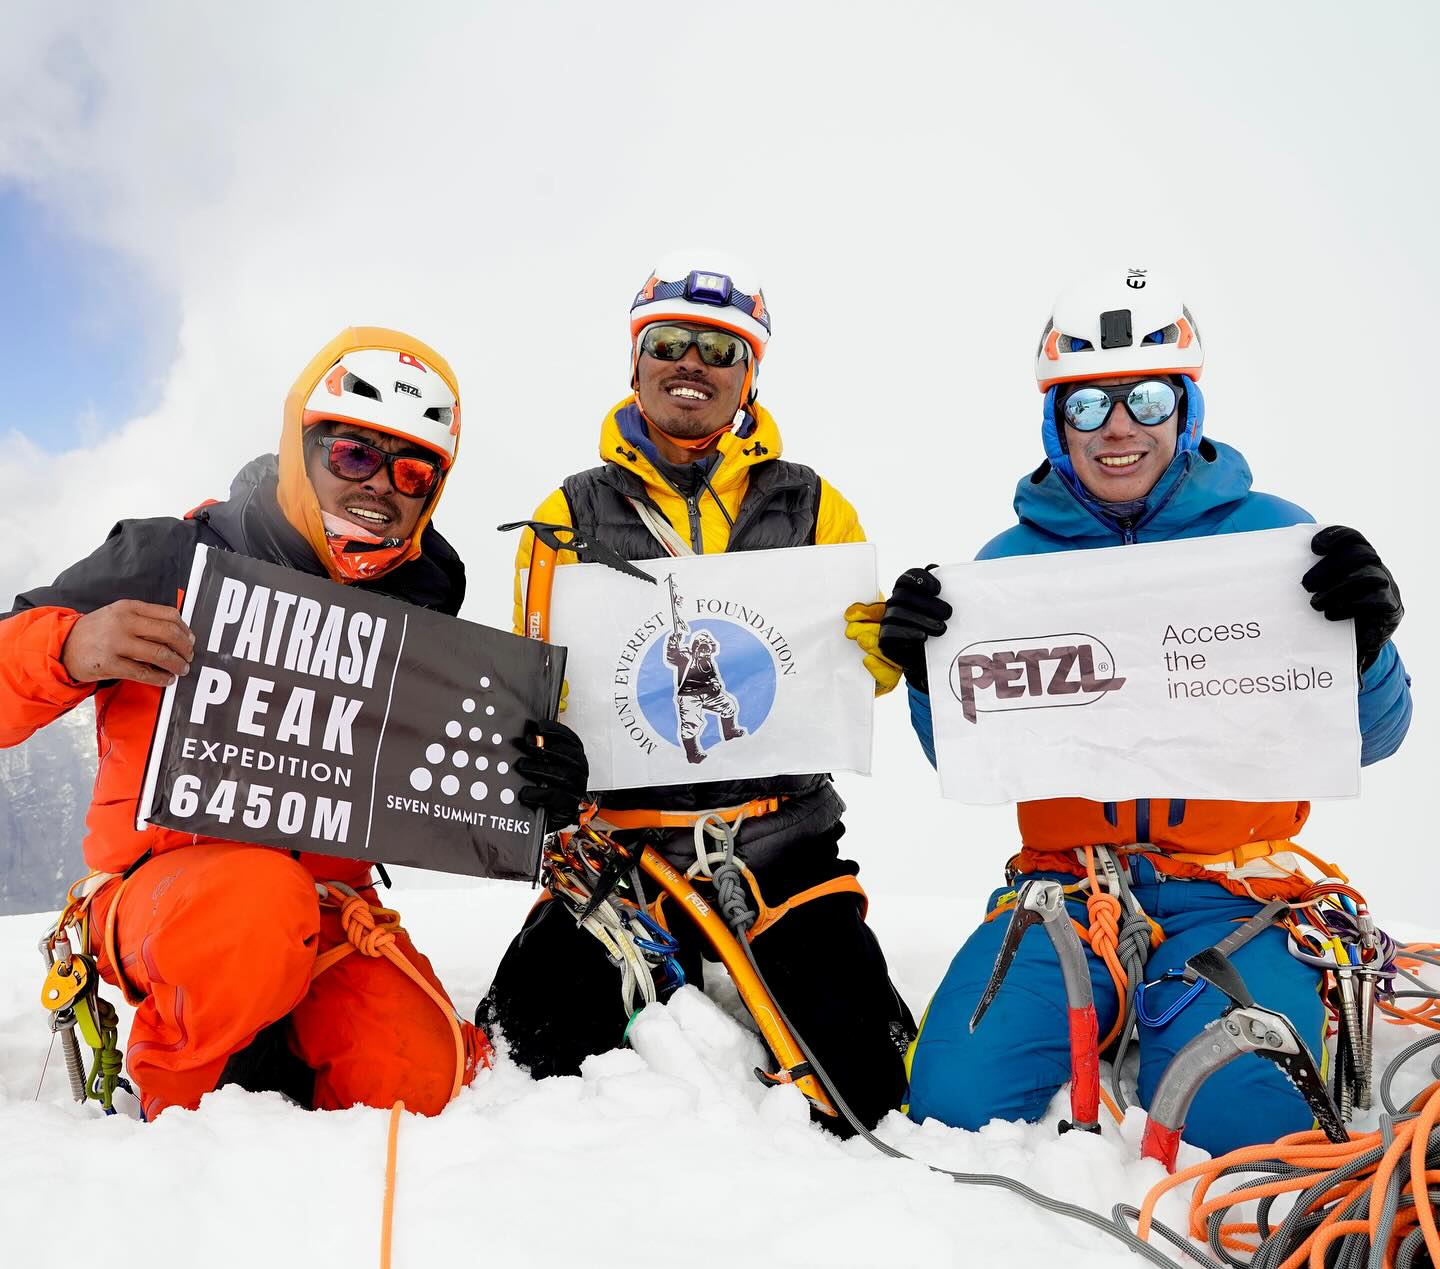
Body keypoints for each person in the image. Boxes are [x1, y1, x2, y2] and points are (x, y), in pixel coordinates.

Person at [878, 270, 1411, 1156]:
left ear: (1186, 408)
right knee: (951, 1106)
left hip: (1233, 893)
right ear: (1057, 421)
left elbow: (1378, 736)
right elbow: (971, 758)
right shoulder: (1005, 567)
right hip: (1063, 891)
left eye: (1146, 398)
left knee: (1249, 1122)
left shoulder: (1277, 541)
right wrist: (929, 674)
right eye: (1086, 406)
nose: (1118, 426)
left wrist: (1366, 648)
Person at [0, 327, 588, 1120]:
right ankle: (171, 1109)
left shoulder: (420, 601)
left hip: (327, 907)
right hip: (160, 895)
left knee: (424, 1078)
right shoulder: (169, 556)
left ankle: (284, 1042)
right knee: (254, 908)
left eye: (412, 470)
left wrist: (536, 782)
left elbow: (427, 765)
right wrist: (71, 646)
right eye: (352, 455)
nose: (380, 485)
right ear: (300, 444)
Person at [481, 252, 915, 1133]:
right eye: (670, 343)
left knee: (866, 1078)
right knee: (532, 1047)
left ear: (750, 375)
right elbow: (529, 696)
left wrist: (896, 642)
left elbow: (855, 670)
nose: (693, 364)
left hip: (782, 844)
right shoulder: (564, 516)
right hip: (621, 854)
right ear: (635, 362)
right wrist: (543, 760)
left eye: (721, 351)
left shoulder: (813, 508)